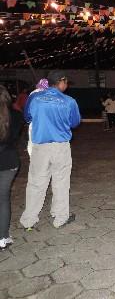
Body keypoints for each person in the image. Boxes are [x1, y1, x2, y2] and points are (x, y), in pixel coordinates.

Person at [20, 71, 81, 230]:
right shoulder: (69, 101)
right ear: (60, 81)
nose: (66, 86)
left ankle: (29, 220)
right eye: (66, 82)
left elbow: (27, 117)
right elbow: (75, 123)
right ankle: (60, 217)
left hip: (40, 146)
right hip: (60, 147)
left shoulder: (34, 98)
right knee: (61, 182)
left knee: (35, 183)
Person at [0, 86, 23, 249]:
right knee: (3, 199)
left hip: (8, 160)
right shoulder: (16, 115)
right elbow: (14, 137)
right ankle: (2, 237)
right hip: (9, 161)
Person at [27, 79, 49, 156]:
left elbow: (27, 112)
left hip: (35, 123)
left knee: (33, 144)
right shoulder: (53, 94)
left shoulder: (33, 94)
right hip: (49, 124)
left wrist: (29, 120)